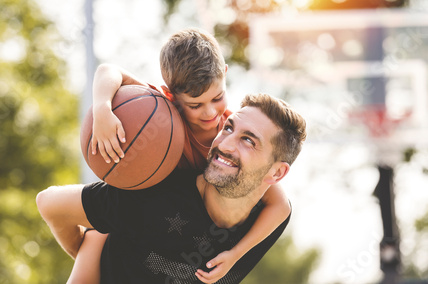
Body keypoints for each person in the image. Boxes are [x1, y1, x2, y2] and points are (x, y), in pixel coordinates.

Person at [73, 28, 290, 283]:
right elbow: (108, 71)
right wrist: (102, 109)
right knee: (98, 233)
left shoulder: (230, 136)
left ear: (225, 75)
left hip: (177, 234)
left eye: (217, 97)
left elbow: (281, 206)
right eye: (195, 105)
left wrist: (236, 254)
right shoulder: (159, 117)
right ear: (170, 95)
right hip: (136, 216)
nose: (210, 113)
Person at [36, 92, 307, 283]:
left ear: (277, 173)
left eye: (248, 141)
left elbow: (281, 205)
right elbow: (48, 203)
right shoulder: (152, 196)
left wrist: (236, 253)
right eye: (228, 128)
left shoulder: (268, 218)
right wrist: (83, 248)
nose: (224, 144)